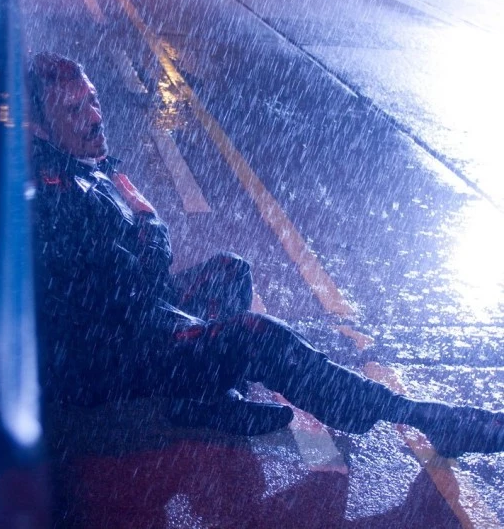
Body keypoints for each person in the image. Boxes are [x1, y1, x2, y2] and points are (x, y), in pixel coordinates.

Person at [27, 52, 504, 458]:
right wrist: (149, 221)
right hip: (109, 355)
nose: (94, 116)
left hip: (127, 314)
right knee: (255, 335)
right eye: (74, 109)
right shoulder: (59, 197)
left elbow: (138, 269)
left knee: (231, 269)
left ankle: (203, 398)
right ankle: (426, 417)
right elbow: (140, 281)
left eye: (93, 99)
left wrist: (140, 222)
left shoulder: (79, 163)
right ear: (41, 127)